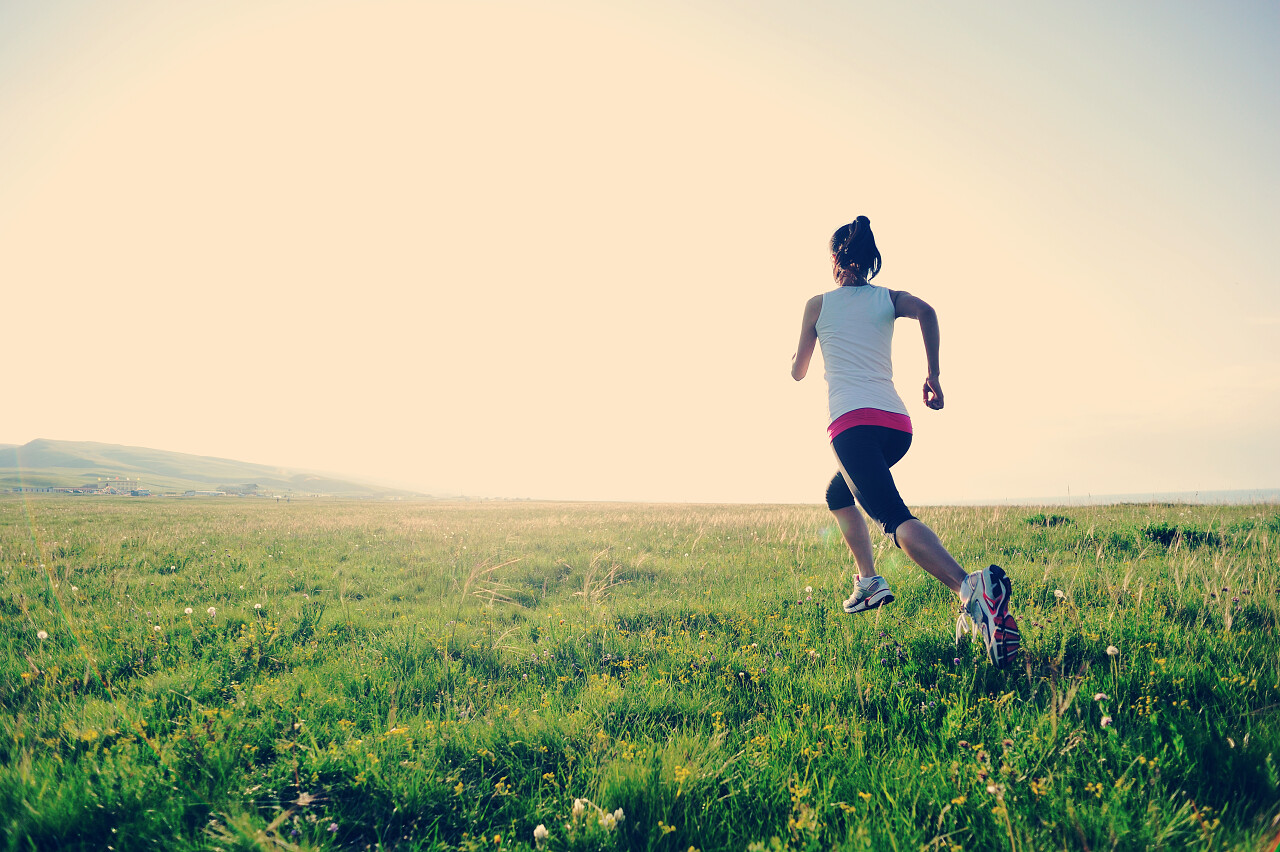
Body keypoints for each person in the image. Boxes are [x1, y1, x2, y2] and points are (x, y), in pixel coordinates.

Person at [790, 216, 1020, 667]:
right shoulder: (888, 298)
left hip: (851, 426)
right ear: (871, 259)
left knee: (893, 517)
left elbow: (798, 371)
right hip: (896, 425)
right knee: (838, 492)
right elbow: (929, 312)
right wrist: (932, 376)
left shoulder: (818, 305)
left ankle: (968, 589)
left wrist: (794, 356)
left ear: (835, 259)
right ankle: (869, 580)